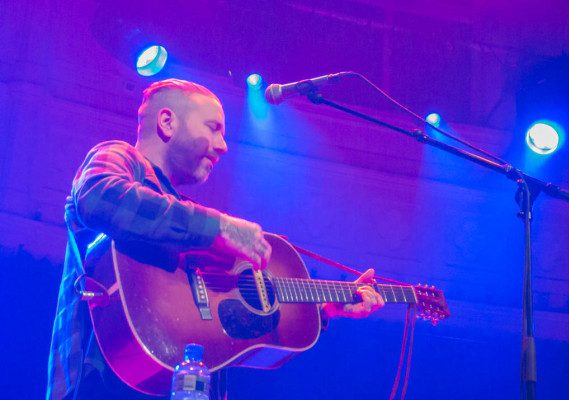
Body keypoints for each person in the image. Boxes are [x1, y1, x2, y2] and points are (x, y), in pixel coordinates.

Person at [47, 78, 385, 400]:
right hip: (101, 384)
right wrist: (218, 229)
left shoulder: (188, 216)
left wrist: (323, 311)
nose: (223, 146)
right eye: (214, 129)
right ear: (167, 121)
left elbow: (233, 338)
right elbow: (98, 198)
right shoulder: (120, 158)